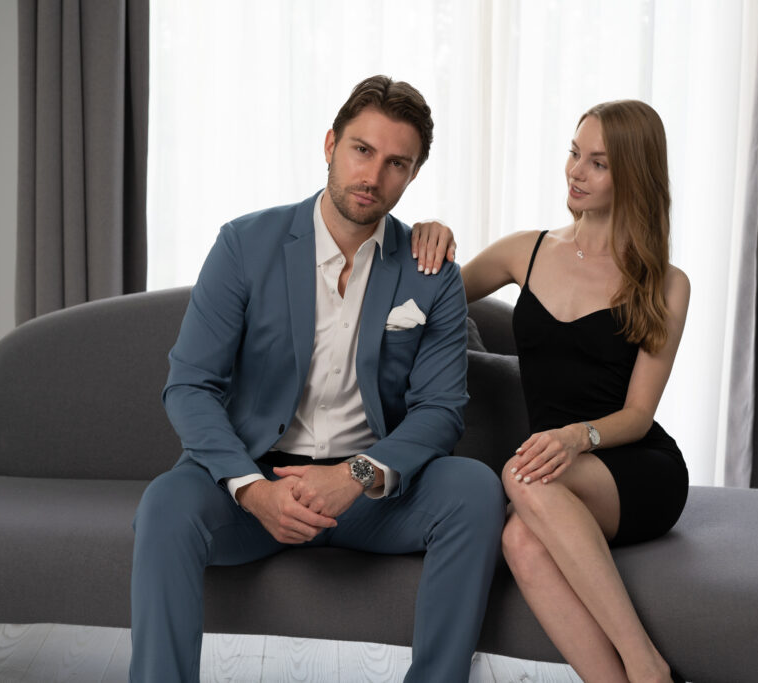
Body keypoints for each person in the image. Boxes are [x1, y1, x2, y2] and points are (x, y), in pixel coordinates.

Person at [130, 75, 505, 683]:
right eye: (362, 150)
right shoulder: (245, 244)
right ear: (330, 144)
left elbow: (440, 411)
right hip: (258, 483)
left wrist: (354, 477)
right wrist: (254, 490)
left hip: (372, 494)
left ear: (412, 175)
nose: (373, 175)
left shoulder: (430, 271)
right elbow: (190, 385)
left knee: (474, 490)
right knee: (167, 504)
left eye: (396, 163)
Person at [414, 100, 690, 683]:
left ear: (633, 175)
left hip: (634, 465)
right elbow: (424, 301)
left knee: (522, 475)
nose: (576, 172)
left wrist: (574, 437)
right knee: (520, 539)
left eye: (598, 163)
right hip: (554, 468)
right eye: (574, 153)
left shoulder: (665, 283)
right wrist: (427, 236)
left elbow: (639, 415)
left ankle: (646, 664)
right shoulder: (527, 251)